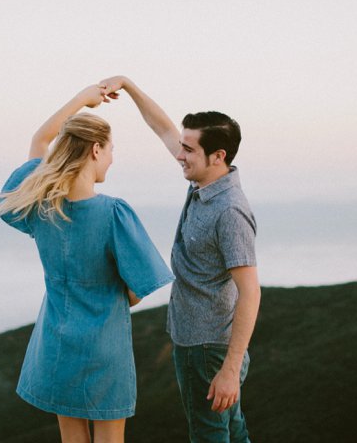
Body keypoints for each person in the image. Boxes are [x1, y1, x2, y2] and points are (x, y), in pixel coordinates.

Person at [0, 84, 174, 443]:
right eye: (110, 150)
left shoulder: (40, 205)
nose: (112, 158)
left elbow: (39, 141)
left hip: (55, 341)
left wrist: (81, 99)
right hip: (103, 348)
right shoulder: (113, 213)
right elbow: (138, 291)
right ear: (96, 149)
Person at [98, 76, 260, 443]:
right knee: (232, 431)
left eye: (188, 149)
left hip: (208, 350)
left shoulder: (229, 211)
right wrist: (128, 85)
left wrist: (230, 370)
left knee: (208, 436)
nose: (178, 154)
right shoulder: (204, 182)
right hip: (203, 344)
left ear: (218, 156)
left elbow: (250, 292)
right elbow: (163, 128)